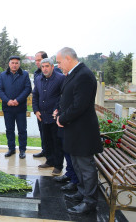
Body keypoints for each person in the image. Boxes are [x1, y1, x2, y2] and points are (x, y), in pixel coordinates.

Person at [56, 47, 103, 215]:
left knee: (86, 167)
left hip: (83, 131)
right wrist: (60, 112)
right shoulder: (75, 74)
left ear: (68, 58)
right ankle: (82, 192)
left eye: (60, 62)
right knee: (76, 163)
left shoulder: (84, 75)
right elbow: (67, 99)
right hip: (74, 129)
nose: (59, 66)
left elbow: (79, 106)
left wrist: (62, 118)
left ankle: (90, 201)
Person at [32, 58, 65, 175]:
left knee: (57, 142)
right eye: (43, 67)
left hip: (55, 117)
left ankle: (58, 165)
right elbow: (35, 95)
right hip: (42, 116)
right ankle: (49, 161)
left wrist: (58, 110)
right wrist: (36, 110)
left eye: (47, 66)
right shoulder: (38, 79)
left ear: (52, 67)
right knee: (46, 141)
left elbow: (63, 96)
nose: (45, 69)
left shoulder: (60, 78)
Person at [0, 55, 31, 159]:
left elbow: (27, 89)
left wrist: (17, 100)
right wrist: (8, 101)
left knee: (22, 130)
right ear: (9, 64)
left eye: (16, 63)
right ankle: (11, 149)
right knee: (9, 129)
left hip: (20, 108)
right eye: (13, 63)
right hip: (8, 108)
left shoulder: (24, 74)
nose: (14, 65)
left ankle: (22, 150)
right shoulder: (3, 75)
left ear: (19, 64)